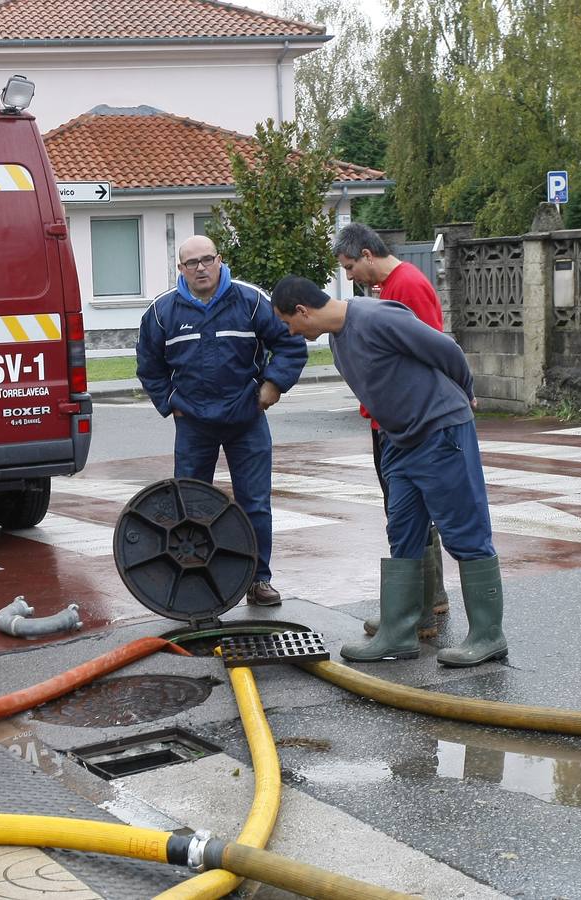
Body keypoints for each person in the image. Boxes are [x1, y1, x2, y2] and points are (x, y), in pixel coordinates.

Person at [269, 274, 507, 667]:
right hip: (401, 441)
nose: (290, 331)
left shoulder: (377, 317)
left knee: (465, 531)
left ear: (302, 311)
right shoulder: (336, 340)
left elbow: (445, 349)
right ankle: (398, 633)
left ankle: (488, 635)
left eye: (287, 323)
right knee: (403, 532)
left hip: (440, 431)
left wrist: (463, 394)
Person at [136, 236, 307, 606]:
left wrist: (273, 386)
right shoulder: (163, 312)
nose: (200, 267)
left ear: (219, 260)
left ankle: (258, 580)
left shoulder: (250, 301)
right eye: (191, 262)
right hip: (194, 424)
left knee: (255, 503)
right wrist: (170, 402)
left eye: (207, 259)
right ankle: (197, 582)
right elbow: (149, 366)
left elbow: (291, 343)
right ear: (180, 269)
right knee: (190, 505)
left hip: (246, 418)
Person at [334, 223, 451, 641]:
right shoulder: (389, 288)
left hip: (405, 422)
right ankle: (428, 600)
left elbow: (430, 350)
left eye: (350, 267)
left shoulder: (408, 286)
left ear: (367, 254)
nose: (349, 277)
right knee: (408, 513)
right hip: (391, 419)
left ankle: (414, 612)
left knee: (408, 514)